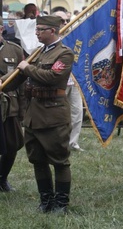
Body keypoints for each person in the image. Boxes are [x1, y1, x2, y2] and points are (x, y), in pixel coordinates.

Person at [1, 15, 74, 214]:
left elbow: (52, 77)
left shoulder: (64, 54)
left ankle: (61, 204)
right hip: (33, 114)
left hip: (53, 114)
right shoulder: (38, 53)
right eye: (36, 29)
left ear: (53, 31)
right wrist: (3, 84)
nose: (36, 32)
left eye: (41, 29)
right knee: (37, 159)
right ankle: (46, 201)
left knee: (59, 160)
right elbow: (19, 75)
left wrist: (27, 67)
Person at [0, 16, 26, 192]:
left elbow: (22, 80)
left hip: (9, 105)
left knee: (12, 144)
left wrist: (23, 109)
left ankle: (2, 178)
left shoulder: (14, 50)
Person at [53, 11, 84, 152]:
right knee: (58, 112)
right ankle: (58, 141)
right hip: (60, 82)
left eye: (66, 20)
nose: (65, 23)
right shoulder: (51, 40)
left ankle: (73, 142)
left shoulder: (74, 36)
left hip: (75, 80)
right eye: (61, 21)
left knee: (77, 112)